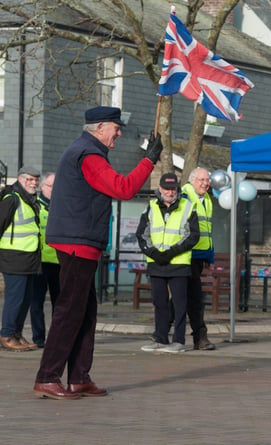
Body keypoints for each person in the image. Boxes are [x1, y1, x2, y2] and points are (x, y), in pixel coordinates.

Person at [34, 106, 163, 400]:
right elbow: (124, 188)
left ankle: (79, 377)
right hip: (77, 243)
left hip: (79, 241)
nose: (119, 133)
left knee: (84, 311)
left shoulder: (84, 151)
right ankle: (47, 376)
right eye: (116, 128)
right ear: (100, 127)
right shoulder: (88, 155)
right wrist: (149, 159)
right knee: (69, 311)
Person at [137, 173, 199, 353]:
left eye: (172, 189)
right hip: (157, 263)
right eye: (166, 189)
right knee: (159, 303)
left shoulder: (188, 207)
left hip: (179, 263)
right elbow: (142, 235)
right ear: (160, 189)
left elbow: (192, 236)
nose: (170, 193)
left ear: (177, 189)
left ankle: (178, 341)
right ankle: (160, 339)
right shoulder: (150, 207)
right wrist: (154, 253)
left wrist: (171, 252)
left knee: (180, 304)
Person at [0, 166, 42, 352]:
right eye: (29, 179)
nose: (33, 183)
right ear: (20, 179)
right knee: (15, 299)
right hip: (13, 258)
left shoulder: (30, 200)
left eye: (35, 180)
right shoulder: (12, 199)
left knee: (25, 299)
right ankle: (7, 334)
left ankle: (16, 334)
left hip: (29, 258)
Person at [181, 167, 216, 350]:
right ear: (192, 180)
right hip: (186, 254)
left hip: (198, 256)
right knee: (193, 297)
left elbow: (207, 231)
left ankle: (161, 333)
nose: (205, 183)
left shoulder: (207, 199)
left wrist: (208, 256)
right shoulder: (185, 197)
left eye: (207, 180)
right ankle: (199, 337)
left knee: (184, 295)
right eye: (201, 180)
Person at [31, 172, 60, 348]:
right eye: (51, 186)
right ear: (42, 187)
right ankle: (38, 338)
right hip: (39, 262)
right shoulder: (35, 206)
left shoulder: (62, 206)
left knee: (59, 304)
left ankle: (57, 338)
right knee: (36, 303)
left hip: (58, 262)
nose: (55, 190)